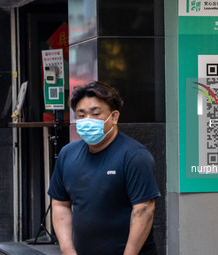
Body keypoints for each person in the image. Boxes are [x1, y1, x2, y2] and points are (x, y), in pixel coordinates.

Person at [48, 81, 160, 255]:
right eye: (81, 115)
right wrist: (68, 249)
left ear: (114, 117)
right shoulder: (67, 154)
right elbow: (60, 204)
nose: (87, 121)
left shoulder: (134, 156)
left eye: (95, 114)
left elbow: (143, 210)